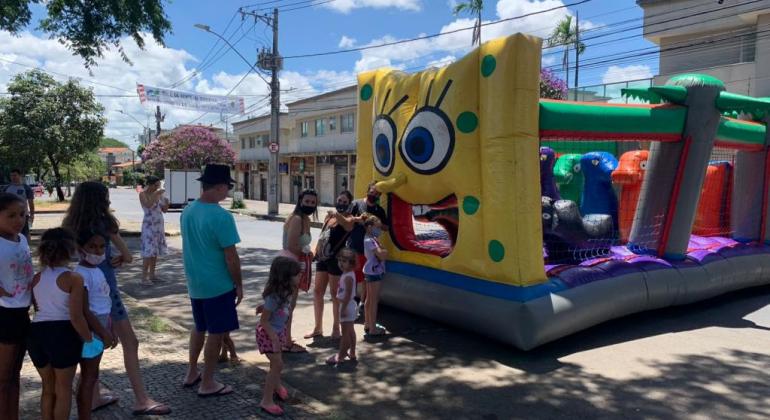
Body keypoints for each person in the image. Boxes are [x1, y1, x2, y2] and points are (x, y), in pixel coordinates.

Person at [62, 181, 170, 416]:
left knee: (91, 346)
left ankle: (94, 396)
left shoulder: (71, 225)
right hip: (106, 293)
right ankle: (142, 399)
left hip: (81, 294)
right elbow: (129, 256)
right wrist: (118, 258)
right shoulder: (106, 223)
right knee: (130, 343)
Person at [180, 164, 243, 398]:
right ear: (218, 187)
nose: (227, 192)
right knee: (215, 334)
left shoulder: (188, 210)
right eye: (227, 187)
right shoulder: (221, 216)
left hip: (195, 282)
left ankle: (191, 372)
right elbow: (231, 256)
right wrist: (239, 284)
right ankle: (207, 382)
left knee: (199, 327)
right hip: (217, 284)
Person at [27, 228, 94, 420]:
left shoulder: (36, 278)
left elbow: (37, 307)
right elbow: (76, 316)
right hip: (63, 334)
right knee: (63, 389)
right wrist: (89, 339)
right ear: (71, 249)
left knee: (48, 387)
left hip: (37, 333)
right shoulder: (74, 278)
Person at [74, 228, 118, 418]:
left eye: (102, 247)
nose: (98, 251)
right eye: (92, 246)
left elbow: (105, 302)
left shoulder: (97, 270)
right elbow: (84, 309)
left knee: (92, 374)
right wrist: (102, 331)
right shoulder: (80, 273)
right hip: (90, 330)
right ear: (81, 248)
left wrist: (111, 328)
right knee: (88, 376)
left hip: (101, 325)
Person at [0, 193, 34, 419]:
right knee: (2, 377)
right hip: (4, 314)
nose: (18, 220)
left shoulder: (21, 239)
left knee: (15, 374)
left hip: (23, 312)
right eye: (11, 215)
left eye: (22, 214)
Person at [304, 191, 355, 340]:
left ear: (349, 204)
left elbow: (346, 225)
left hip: (336, 260)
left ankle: (336, 328)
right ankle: (317, 328)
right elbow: (321, 238)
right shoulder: (328, 218)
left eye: (345, 202)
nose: (341, 203)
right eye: (339, 200)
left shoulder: (350, 219)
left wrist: (336, 214)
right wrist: (313, 253)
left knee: (335, 295)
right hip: (323, 258)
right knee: (318, 291)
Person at [257, 256, 301, 416]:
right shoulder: (274, 296)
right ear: (285, 277)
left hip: (277, 331)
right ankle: (266, 400)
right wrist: (274, 338)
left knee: (277, 363)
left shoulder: (285, 292)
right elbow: (264, 321)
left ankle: (276, 386)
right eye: (296, 274)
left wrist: (264, 307)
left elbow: (274, 309)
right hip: (268, 334)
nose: (299, 277)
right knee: (277, 364)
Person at [279, 189, 317, 353]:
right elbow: (291, 245)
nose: (309, 205)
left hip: (296, 264)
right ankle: (285, 342)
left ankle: (284, 338)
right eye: (307, 201)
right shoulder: (296, 219)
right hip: (290, 265)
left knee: (288, 305)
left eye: (313, 202)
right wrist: (306, 255)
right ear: (300, 200)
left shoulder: (305, 219)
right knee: (288, 305)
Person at [347, 182, 388, 320]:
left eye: (377, 194)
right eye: (373, 192)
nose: (374, 195)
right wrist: (359, 219)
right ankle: (350, 305)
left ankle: (362, 307)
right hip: (354, 247)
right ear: (367, 190)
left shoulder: (379, 210)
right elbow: (347, 220)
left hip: (369, 253)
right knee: (352, 279)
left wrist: (376, 223)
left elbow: (386, 227)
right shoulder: (356, 204)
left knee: (365, 281)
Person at [326, 248, 358, 365]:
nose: (341, 264)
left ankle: (341, 355)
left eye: (344, 261)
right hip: (347, 306)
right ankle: (352, 352)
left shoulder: (348, 276)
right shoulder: (347, 274)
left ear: (352, 263)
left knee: (345, 334)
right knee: (350, 331)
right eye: (340, 261)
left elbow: (348, 294)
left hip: (347, 306)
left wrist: (343, 308)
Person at [139, 175, 169, 285]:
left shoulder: (159, 194)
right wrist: (156, 194)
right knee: (148, 251)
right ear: (150, 185)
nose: (158, 187)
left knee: (155, 251)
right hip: (149, 224)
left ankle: (152, 275)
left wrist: (166, 201)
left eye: (159, 185)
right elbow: (148, 204)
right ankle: (144, 278)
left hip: (158, 225)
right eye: (156, 185)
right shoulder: (143, 194)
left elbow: (164, 210)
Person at [362, 215, 388, 336]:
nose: (379, 230)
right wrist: (384, 250)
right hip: (374, 272)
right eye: (377, 227)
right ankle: (372, 329)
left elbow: (380, 253)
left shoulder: (371, 239)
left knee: (369, 299)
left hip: (370, 271)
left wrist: (382, 250)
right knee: (373, 301)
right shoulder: (370, 240)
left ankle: (368, 323)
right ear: (369, 227)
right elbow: (382, 255)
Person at [3, 169, 35, 240]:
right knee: (9, 234)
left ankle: (26, 249)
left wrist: (32, 215)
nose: (13, 177)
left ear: (20, 176)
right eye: (11, 176)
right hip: (9, 216)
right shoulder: (6, 188)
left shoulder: (26, 188)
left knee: (25, 234)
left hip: (23, 215)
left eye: (15, 175)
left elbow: (31, 203)